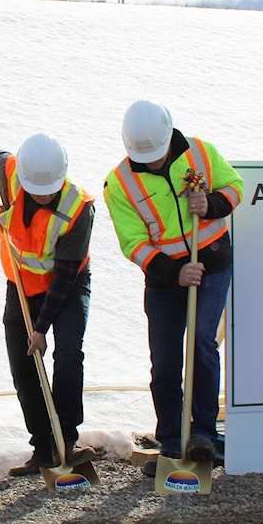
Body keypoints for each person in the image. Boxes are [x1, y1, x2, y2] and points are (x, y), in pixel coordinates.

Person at [103, 99, 243, 478]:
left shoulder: (200, 151)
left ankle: (203, 434)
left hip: (212, 263)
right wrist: (174, 271)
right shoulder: (119, 183)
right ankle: (171, 439)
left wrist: (211, 204)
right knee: (164, 361)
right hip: (165, 280)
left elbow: (235, 187)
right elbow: (133, 242)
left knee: (201, 342)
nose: (151, 161)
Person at [0, 132, 97, 476]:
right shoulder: (10, 170)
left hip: (68, 285)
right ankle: (43, 447)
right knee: (23, 364)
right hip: (20, 282)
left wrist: (42, 328)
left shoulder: (79, 209)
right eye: (36, 189)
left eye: (50, 189)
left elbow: (63, 279)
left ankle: (67, 439)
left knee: (67, 354)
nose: (43, 195)